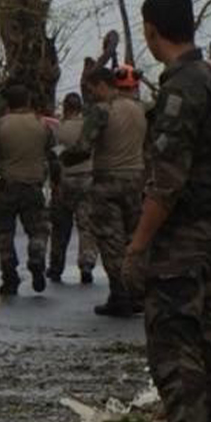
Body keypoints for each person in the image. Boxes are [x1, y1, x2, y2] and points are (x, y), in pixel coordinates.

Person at [124, 0, 211, 422]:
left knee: (175, 343)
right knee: (209, 339)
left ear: (152, 31)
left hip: (183, 240)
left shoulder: (182, 90)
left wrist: (137, 246)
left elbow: (166, 182)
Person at [61, 67, 147, 316]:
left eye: (91, 88)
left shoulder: (102, 110)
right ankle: (138, 291)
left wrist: (63, 157)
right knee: (134, 239)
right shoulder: (139, 108)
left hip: (108, 179)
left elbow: (83, 147)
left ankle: (121, 296)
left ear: (101, 85)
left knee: (111, 242)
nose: (90, 94)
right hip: (135, 179)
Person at [0, 84, 56, 296]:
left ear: (8, 104)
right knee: (38, 229)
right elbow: (53, 156)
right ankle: (37, 255)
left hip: (9, 186)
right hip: (33, 186)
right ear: (28, 102)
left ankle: (9, 274)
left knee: (4, 231)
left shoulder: (0, 125)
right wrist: (56, 182)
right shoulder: (42, 126)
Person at [48, 92, 97, 284]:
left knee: (61, 226)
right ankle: (86, 262)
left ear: (66, 108)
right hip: (88, 180)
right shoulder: (89, 128)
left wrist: (54, 182)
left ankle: (56, 267)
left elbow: (54, 159)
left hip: (65, 180)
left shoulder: (59, 130)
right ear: (81, 108)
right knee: (87, 225)